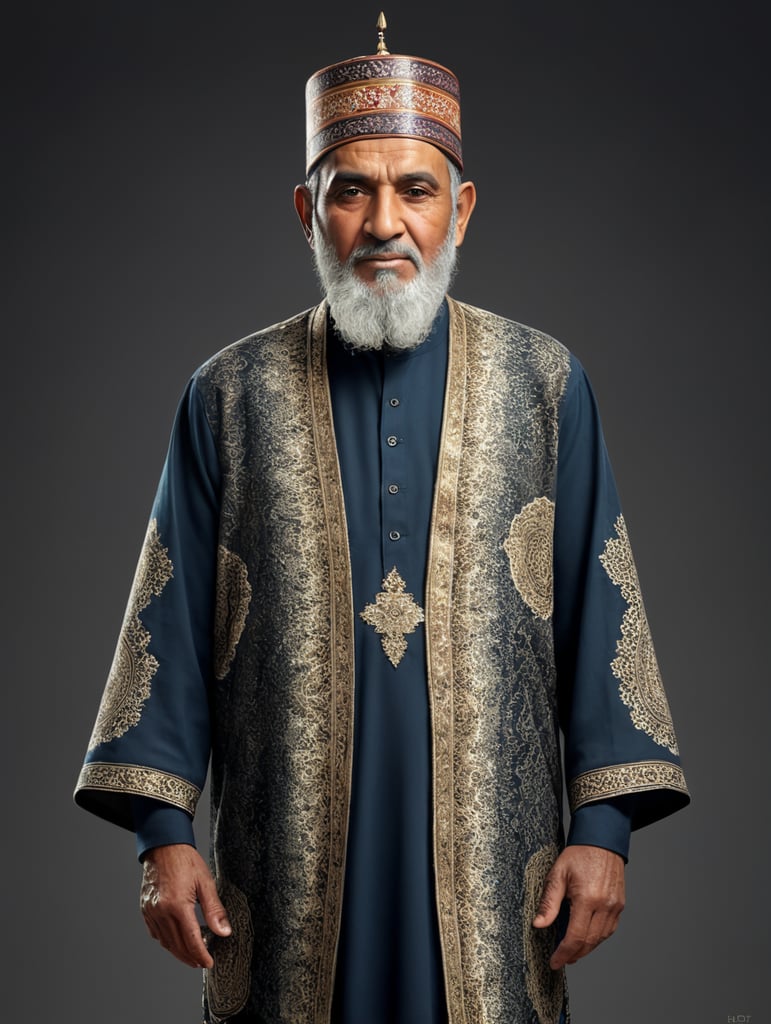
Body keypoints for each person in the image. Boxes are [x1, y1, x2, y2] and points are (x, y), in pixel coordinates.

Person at [75, 15, 689, 1024]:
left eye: (416, 189)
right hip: (282, 875)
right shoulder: (229, 393)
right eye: (351, 191)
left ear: (463, 208)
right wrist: (162, 835)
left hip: (499, 884)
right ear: (307, 209)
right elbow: (169, 626)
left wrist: (604, 829)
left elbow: (601, 613)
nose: (384, 223)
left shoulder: (543, 384)